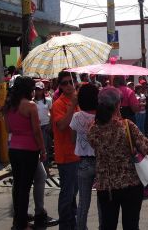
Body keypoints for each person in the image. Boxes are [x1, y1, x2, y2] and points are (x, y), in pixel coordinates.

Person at [88, 87, 148, 230]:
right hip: (131, 185)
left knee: (108, 225)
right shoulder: (126, 126)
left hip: (106, 186)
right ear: (118, 104)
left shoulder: (93, 129)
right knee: (131, 225)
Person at [5, 76, 46, 230]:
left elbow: (8, 129)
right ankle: (22, 224)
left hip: (13, 149)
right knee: (25, 187)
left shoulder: (9, 105)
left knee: (18, 186)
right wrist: (43, 149)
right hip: (29, 150)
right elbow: (36, 131)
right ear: (28, 89)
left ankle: (18, 220)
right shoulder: (30, 106)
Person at [52, 71, 80, 230]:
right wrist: (72, 107)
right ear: (60, 86)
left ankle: (72, 221)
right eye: (64, 83)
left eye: (70, 81)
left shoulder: (77, 100)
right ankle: (65, 224)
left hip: (78, 154)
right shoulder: (58, 104)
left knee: (74, 192)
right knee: (67, 194)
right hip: (66, 156)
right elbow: (62, 126)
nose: (69, 85)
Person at [69, 84, 99, 230]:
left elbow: (72, 139)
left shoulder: (76, 116)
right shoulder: (102, 116)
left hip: (83, 163)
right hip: (100, 162)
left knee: (83, 202)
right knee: (102, 201)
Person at [34, 81, 52, 170]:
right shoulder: (32, 101)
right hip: (36, 127)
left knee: (45, 147)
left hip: (45, 126)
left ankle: (45, 167)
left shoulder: (48, 100)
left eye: (40, 90)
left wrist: (50, 125)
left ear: (43, 90)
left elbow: (52, 113)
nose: (38, 92)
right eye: (36, 90)